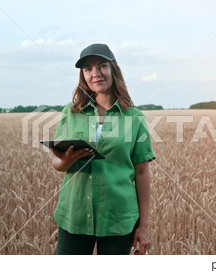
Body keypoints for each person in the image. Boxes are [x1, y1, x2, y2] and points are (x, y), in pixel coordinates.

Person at [50, 43, 156, 255]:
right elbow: (57, 163)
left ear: (113, 70)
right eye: (88, 69)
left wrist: (143, 227)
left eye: (102, 66)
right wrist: (66, 161)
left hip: (118, 219)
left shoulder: (135, 118)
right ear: (83, 75)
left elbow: (142, 172)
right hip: (75, 216)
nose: (95, 73)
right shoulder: (71, 113)